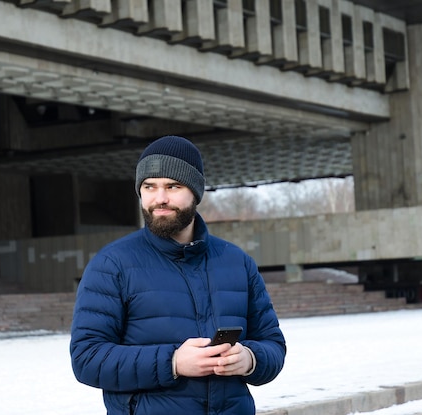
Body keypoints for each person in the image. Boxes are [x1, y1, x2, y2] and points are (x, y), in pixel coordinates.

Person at [70, 135, 286, 415]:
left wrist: (250, 359)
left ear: (195, 192)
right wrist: (172, 362)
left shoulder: (237, 262)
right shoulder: (112, 264)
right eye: (149, 187)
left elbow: (273, 344)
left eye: (173, 186)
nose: (160, 198)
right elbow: (87, 359)